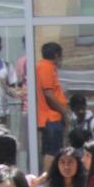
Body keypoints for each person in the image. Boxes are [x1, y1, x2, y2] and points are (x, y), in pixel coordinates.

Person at [34, 42, 69, 172]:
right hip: (51, 117)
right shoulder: (45, 67)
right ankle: (47, 179)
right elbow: (48, 94)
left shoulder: (47, 67)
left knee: (54, 150)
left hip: (52, 117)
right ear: (56, 55)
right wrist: (63, 111)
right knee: (52, 152)